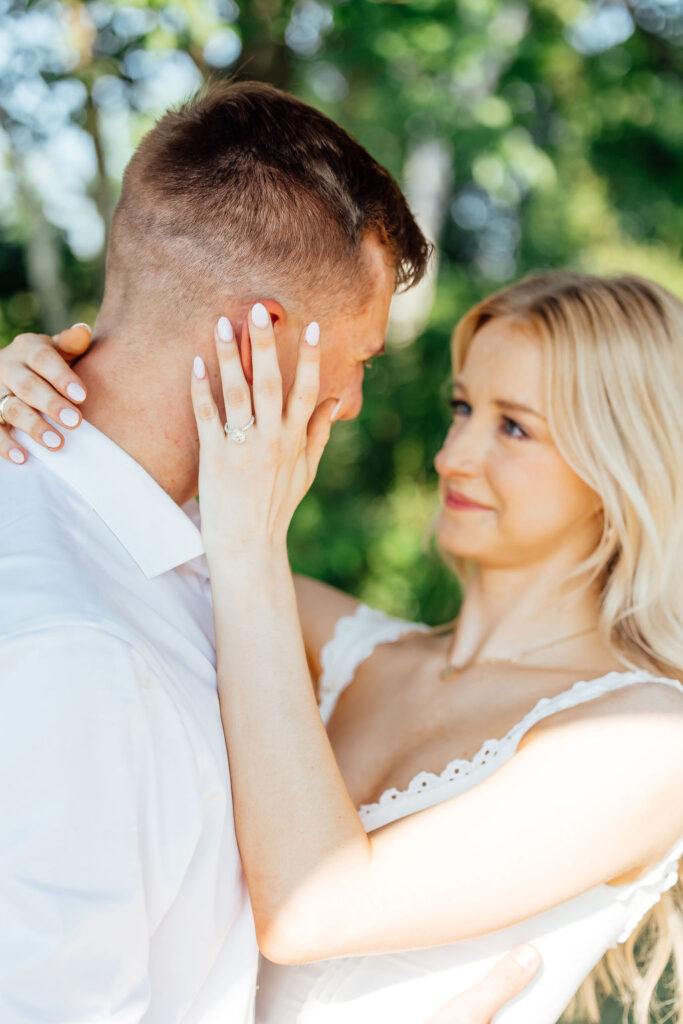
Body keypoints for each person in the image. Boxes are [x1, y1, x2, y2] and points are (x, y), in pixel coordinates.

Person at [0, 79, 541, 1024]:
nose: (356, 404)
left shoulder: (184, 559)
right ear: (261, 341)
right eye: (360, 361)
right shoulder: (77, 657)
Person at [4, 271, 682, 1024]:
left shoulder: (646, 738)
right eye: (461, 408)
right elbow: (106, 517)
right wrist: (42, 409)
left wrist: (254, 540)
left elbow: (307, 910)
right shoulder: (350, 649)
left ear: (622, 460)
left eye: (513, 426)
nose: (451, 456)